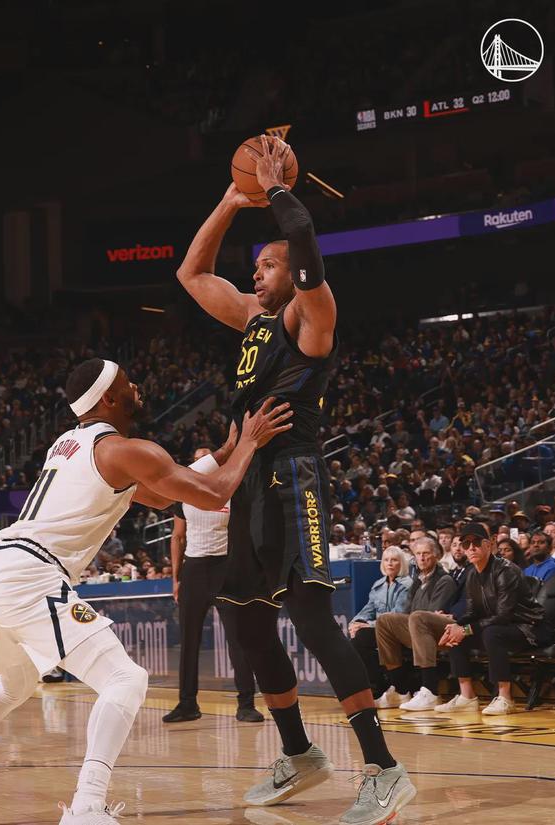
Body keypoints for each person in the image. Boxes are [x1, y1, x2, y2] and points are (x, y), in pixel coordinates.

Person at [0, 358, 291, 825]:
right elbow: (211, 496)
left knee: (14, 686)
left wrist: (227, 450)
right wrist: (248, 443)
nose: (137, 386)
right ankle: (87, 806)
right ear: (109, 397)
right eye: (128, 382)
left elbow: (161, 494)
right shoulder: (123, 450)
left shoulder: (70, 444)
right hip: (28, 576)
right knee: (125, 679)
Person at [177, 135, 416, 824]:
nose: (256, 273)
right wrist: (232, 199)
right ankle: (299, 753)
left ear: (293, 273)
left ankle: (384, 768)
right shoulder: (252, 321)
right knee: (244, 619)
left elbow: (306, 243)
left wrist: (278, 187)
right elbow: (192, 274)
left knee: (309, 617)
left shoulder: (312, 315)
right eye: (255, 265)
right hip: (252, 480)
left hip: (295, 477)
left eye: (268, 264)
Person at [164, 441, 263, 724]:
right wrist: (176, 578)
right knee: (189, 640)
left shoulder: (231, 489)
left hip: (226, 567)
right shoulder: (183, 494)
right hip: (194, 569)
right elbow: (177, 537)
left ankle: (246, 703)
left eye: (206, 458)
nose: (201, 464)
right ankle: (187, 704)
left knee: (237, 638)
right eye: (197, 459)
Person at [436, 522, 550, 715]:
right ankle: (467, 696)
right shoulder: (472, 574)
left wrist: (466, 629)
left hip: (529, 627)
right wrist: (456, 628)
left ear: (489, 544)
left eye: (476, 542)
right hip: (501, 627)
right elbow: (471, 613)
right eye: (466, 544)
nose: (471, 548)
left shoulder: (506, 570)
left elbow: (504, 615)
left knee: (491, 633)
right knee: (457, 634)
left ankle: (505, 698)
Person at [374, 537, 458, 710]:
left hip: (441, 633)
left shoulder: (444, 580)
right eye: (418, 554)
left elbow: (433, 615)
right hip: (418, 627)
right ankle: (400, 689)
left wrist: (414, 618)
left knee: (418, 617)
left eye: (426, 553)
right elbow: (406, 612)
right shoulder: (418, 581)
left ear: (436, 556)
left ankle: (430, 691)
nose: (422, 558)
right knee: (384, 621)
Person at [348, 547, 413, 696]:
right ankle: (376, 684)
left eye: (394, 560)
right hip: (379, 629)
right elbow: (368, 609)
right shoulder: (378, 585)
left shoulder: (407, 585)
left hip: (399, 630)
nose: (389, 563)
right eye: (386, 560)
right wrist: (356, 622)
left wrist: (368, 625)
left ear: (401, 563)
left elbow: (397, 614)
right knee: (357, 638)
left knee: (362, 637)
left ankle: (381, 686)